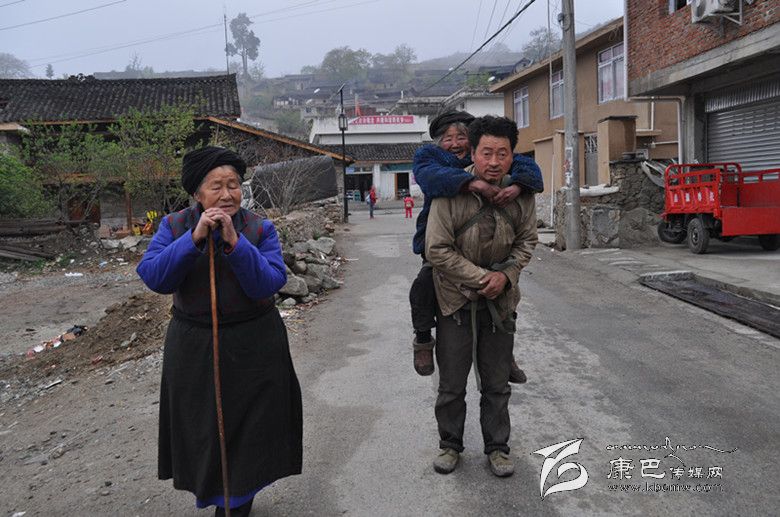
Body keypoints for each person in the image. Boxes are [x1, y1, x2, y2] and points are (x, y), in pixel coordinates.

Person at [136, 146, 302, 517]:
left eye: (234, 185)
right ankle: (218, 496)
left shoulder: (259, 228)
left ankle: (237, 503)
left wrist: (236, 243)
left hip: (255, 345)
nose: (227, 194)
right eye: (216, 186)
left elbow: (268, 283)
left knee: (251, 429)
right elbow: (154, 277)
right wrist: (194, 239)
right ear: (197, 192)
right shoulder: (174, 226)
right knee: (203, 429)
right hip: (194, 346)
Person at [425, 115, 538, 477]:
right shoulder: (450, 192)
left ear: (512, 156)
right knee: (451, 383)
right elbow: (436, 249)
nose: (493, 162)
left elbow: (527, 241)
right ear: (472, 153)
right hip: (454, 300)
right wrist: (481, 277)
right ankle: (450, 445)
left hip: (499, 302)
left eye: (502, 153)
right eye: (486, 153)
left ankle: (497, 448)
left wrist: (505, 276)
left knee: (496, 384)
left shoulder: (521, 194)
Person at [409, 111, 543, 381]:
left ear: (471, 141)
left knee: (508, 291)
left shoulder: (489, 156)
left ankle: (505, 353)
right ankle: (423, 340)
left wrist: (518, 186)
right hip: (442, 239)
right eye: (448, 138)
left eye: (461, 137)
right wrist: (475, 183)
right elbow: (431, 177)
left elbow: (530, 170)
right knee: (423, 286)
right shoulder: (431, 158)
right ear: (439, 142)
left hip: (489, 243)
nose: (455, 143)